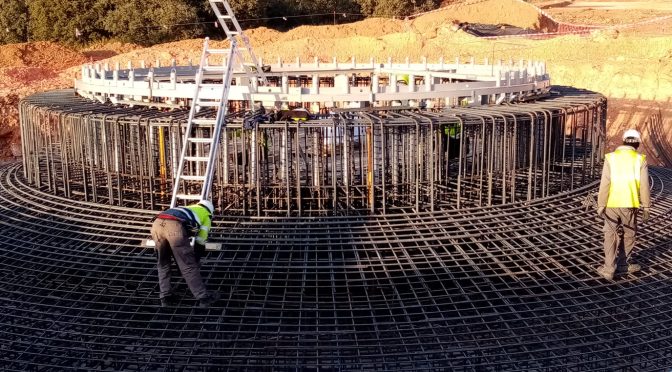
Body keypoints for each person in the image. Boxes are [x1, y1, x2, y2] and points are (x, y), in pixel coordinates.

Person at [596, 129, 651, 280]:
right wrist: (646, 206)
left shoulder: (611, 157)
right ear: (638, 143)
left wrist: (601, 204)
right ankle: (623, 265)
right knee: (629, 234)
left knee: (610, 234)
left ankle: (608, 269)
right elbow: (645, 185)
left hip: (611, 203)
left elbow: (605, 183)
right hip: (629, 203)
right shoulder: (640, 159)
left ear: (623, 141)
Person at [151, 199, 220, 307]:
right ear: (211, 211)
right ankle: (203, 297)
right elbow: (200, 241)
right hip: (174, 227)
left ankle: (165, 297)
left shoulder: (188, 208)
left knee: (163, 263)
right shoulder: (206, 215)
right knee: (188, 265)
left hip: (156, 224)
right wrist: (196, 257)